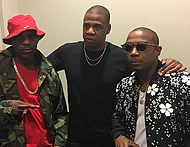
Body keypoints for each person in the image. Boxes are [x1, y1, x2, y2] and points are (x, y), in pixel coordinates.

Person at [47, 5, 186, 147]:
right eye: (86, 26)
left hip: (112, 138)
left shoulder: (123, 57)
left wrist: (166, 64)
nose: (90, 31)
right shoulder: (67, 52)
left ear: (108, 29)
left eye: (97, 27)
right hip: (75, 137)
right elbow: (38, 69)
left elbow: (148, 68)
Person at [0, 14, 68, 147]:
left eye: (31, 37)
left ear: (37, 39)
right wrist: (5, 109)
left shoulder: (48, 72)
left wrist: (58, 144)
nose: (26, 42)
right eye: (20, 37)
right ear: (11, 41)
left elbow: (61, 115)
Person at [112, 27, 190, 147]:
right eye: (128, 47)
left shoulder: (181, 83)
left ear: (157, 50)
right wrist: (119, 135)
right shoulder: (124, 86)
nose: (133, 52)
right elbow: (117, 117)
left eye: (141, 47)